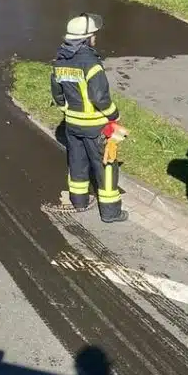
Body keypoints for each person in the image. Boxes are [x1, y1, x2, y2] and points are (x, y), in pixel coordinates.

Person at [50, 13, 127, 223]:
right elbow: (100, 97)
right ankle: (111, 212)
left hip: (72, 124)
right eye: (93, 34)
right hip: (95, 126)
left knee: (77, 162)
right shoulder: (91, 63)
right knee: (106, 166)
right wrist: (114, 115)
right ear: (86, 38)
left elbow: (57, 94)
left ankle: (79, 201)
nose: (95, 37)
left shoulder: (60, 61)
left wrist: (67, 110)